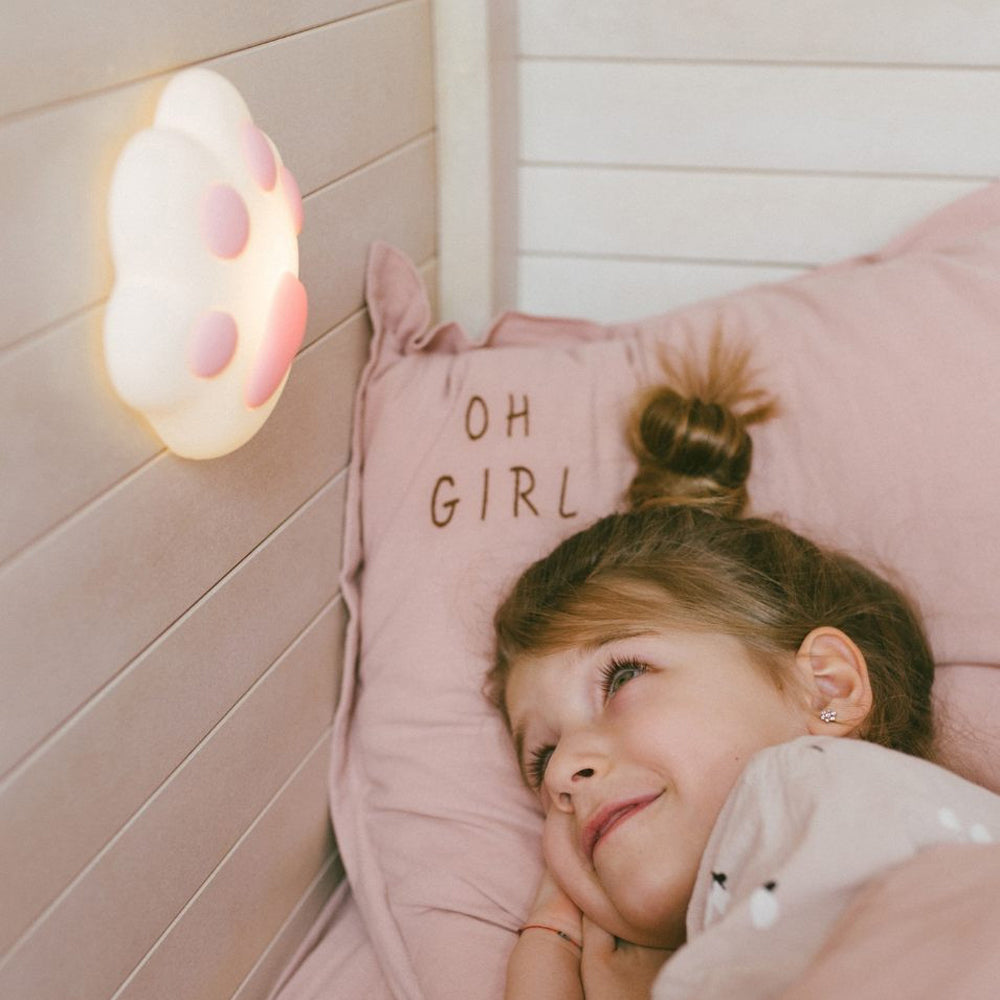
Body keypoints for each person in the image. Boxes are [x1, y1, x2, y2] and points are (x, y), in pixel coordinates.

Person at [486, 340, 1000, 999]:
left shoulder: (811, 787)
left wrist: (557, 944)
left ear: (826, 687)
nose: (561, 773)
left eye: (622, 678)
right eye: (540, 759)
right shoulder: (758, 923)